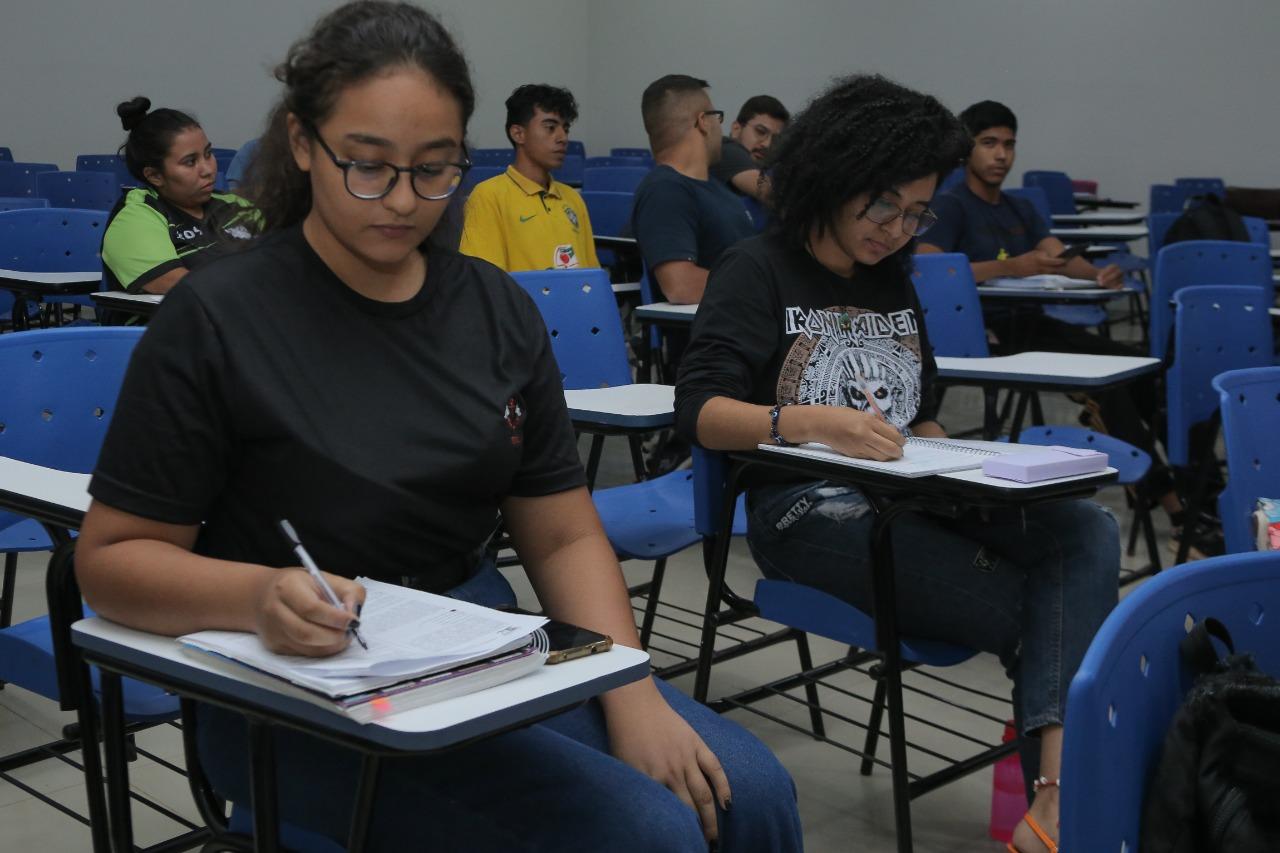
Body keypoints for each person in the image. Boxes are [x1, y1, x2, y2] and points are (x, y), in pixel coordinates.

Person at [75, 4, 800, 851]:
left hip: (478, 646)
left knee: (753, 795)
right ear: (304, 143)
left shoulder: (493, 309)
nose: (403, 202)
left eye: (435, 169)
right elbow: (112, 561)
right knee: (645, 833)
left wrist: (628, 685)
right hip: (289, 683)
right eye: (368, 167)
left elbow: (563, 537)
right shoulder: (218, 317)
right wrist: (257, 595)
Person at [675, 74, 1120, 853]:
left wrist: (952, 456)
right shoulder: (757, 269)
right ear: (838, 177)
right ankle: (1065, 805)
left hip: (909, 488)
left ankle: (1055, 803)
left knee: (1084, 530)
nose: (898, 228)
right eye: (885, 205)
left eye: (917, 213)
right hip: (807, 508)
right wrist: (808, 422)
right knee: (1047, 604)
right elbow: (702, 413)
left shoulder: (892, 280)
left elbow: (919, 406)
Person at [918, 100, 1201, 554]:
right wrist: (1015, 267)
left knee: (1140, 365)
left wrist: (1096, 274)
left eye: (1009, 144)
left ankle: (1188, 480)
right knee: (1106, 385)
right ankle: (1171, 501)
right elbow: (931, 267)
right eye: (988, 144)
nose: (1001, 155)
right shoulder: (952, 206)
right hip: (986, 337)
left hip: (1031, 326)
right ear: (965, 150)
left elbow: (1057, 253)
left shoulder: (1018, 208)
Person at [101, 97, 260, 294]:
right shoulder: (135, 217)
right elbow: (185, 287)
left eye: (208, 154)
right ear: (155, 175)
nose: (208, 169)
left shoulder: (233, 204)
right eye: (190, 162)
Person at [631, 74, 756, 305]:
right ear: (703, 122)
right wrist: (765, 286)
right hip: (718, 334)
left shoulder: (717, 190)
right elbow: (681, 285)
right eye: (717, 117)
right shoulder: (665, 190)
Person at [459, 84, 599, 272]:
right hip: (519, 302)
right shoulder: (488, 196)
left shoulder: (573, 199)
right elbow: (485, 281)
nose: (563, 137)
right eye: (550, 127)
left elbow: (591, 274)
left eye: (565, 129)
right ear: (518, 134)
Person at [710, 95, 789, 202]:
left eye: (775, 139)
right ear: (736, 129)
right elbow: (766, 191)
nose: (767, 144)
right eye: (760, 132)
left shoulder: (763, 168)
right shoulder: (728, 151)